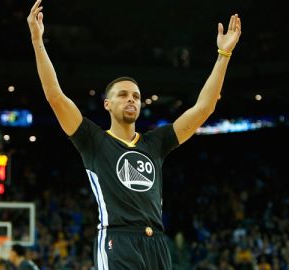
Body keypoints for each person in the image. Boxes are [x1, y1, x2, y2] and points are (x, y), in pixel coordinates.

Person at [27, 0, 241, 268]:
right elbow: (55, 97)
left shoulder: (156, 142)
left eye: (137, 97)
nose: (132, 100)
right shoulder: (93, 140)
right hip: (118, 241)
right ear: (107, 103)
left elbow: (204, 107)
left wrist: (224, 55)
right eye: (123, 95)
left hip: (157, 243)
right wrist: (38, 40)